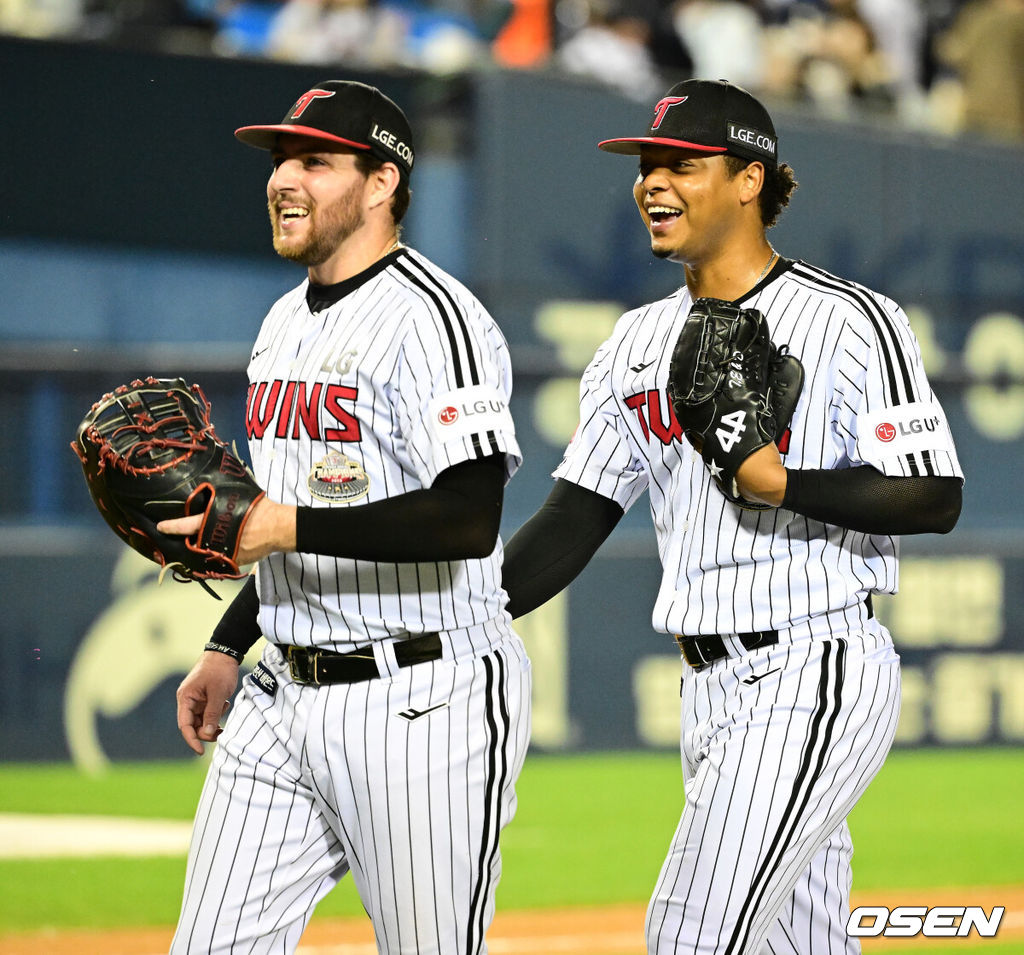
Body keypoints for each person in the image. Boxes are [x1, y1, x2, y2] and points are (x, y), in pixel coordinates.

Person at [501, 78, 963, 954]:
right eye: (646, 165)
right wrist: (464, 616)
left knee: (691, 927)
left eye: (681, 163)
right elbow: (573, 516)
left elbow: (933, 493)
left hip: (813, 662)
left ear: (750, 178)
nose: (652, 182)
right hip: (708, 689)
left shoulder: (851, 320)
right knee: (800, 941)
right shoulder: (634, 340)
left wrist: (778, 479)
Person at [157, 79, 531, 954]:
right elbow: (290, 510)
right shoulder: (283, 319)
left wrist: (279, 528)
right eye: (280, 159)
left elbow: (468, 517)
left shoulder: (436, 319)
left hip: (420, 700)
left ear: (381, 183)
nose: (282, 178)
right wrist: (226, 642)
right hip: (279, 692)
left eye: (313, 161)